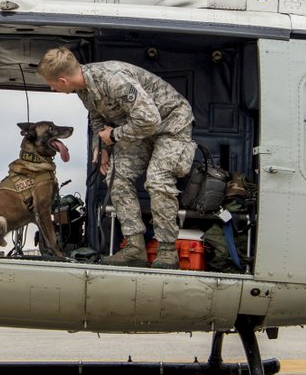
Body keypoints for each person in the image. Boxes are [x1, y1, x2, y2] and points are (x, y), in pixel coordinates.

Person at [38, 48, 194, 268]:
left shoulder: (114, 79)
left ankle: (167, 251)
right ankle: (135, 248)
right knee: (117, 178)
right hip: (138, 128)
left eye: (51, 84)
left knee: (158, 181)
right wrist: (100, 146)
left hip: (170, 124)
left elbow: (150, 119)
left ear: (63, 80)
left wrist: (113, 136)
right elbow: (97, 117)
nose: (51, 88)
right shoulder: (84, 88)